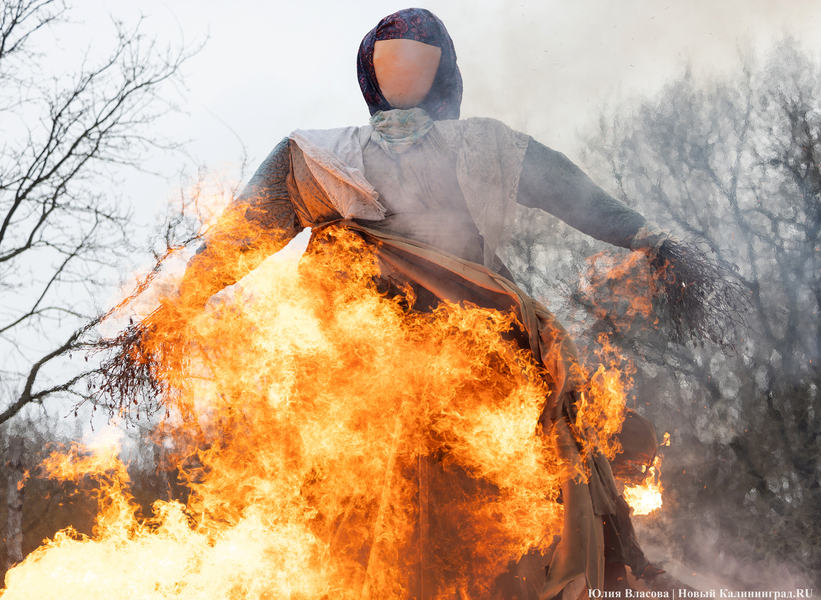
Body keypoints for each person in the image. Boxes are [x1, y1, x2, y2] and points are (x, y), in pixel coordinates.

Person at [112, 7, 737, 599]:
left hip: (379, 383)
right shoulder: (473, 147)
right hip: (461, 371)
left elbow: (235, 238)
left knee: (368, 519)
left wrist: (177, 309)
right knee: (548, 472)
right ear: (450, 77)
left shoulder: (318, 159)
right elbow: (582, 200)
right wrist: (651, 241)